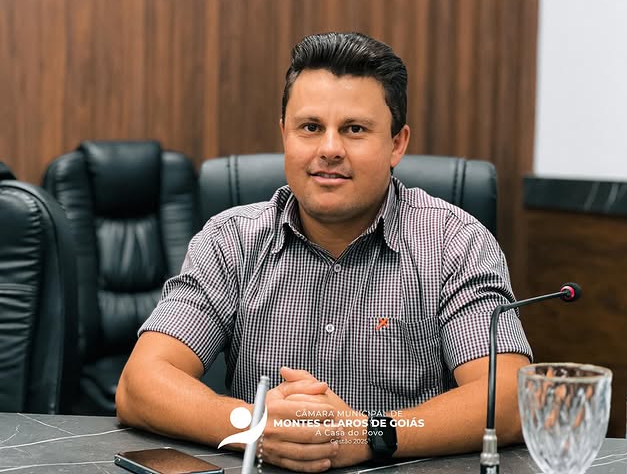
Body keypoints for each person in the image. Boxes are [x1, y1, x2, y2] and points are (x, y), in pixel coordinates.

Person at [116, 32, 532, 472]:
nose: (329, 149)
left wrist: (368, 434)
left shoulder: (454, 243)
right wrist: (253, 425)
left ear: (396, 144)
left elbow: (511, 399)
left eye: (354, 129)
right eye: (311, 128)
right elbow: (139, 384)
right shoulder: (231, 240)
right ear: (285, 134)